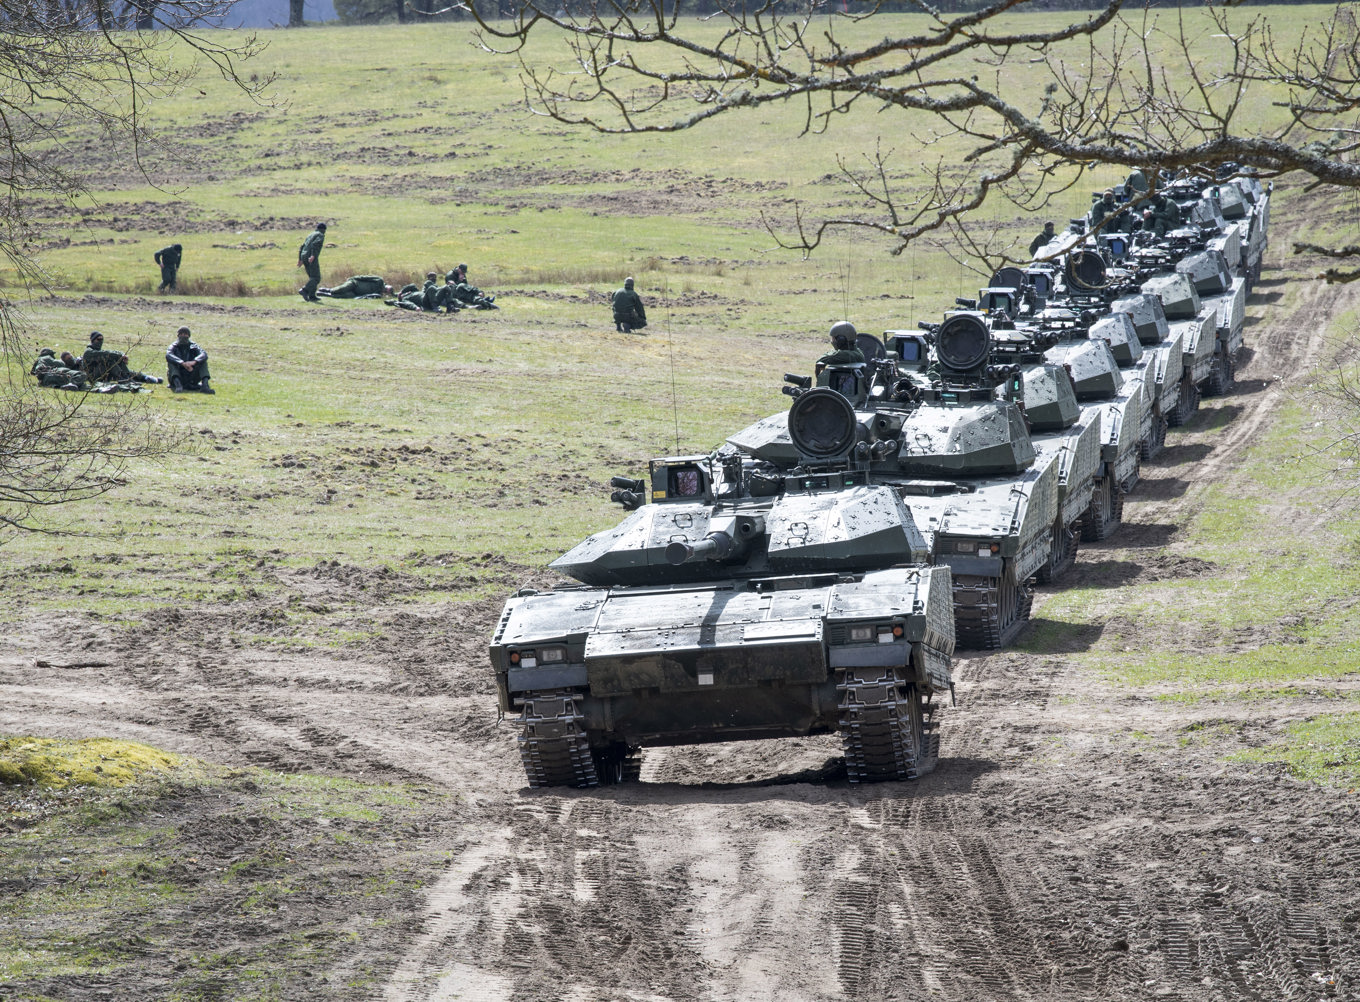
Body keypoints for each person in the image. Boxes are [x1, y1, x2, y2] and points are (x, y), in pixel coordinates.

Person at [82, 331, 160, 384]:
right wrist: (120, 355)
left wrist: (121, 356)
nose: (100, 341)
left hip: (103, 374)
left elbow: (108, 353)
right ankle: (124, 378)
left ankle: (143, 377)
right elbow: (105, 354)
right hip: (93, 377)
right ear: (92, 340)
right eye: (98, 339)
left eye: (102, 339)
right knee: (110, 360)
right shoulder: (89, 352)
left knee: (119, 364)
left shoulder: (98, 351)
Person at [166, 326, 214, 394]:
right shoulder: (173, 346)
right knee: (171, 363)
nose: (183, 336)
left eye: (185, 334)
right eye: (181, 334)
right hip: (178, 374)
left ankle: (205, 386)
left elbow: (204, 354)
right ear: (178, 335)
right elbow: (169, 355)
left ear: (188, 336)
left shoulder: (194, 346)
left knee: (203, 362)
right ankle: (178, 385)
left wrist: (194, 362)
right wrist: (182, 363)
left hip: (191, 374)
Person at [297, 222, 327, 302]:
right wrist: (313, 255)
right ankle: (304, 290)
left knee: (312, 277)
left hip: (304, 256)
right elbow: (315, 244)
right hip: (310, 256)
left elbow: (302, 246)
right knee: (316, 277)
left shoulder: (310, 234)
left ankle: (312, 296)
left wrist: (300, 259)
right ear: (324, 230)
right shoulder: (320, 235)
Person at [317, 275, 388, 299]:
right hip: (354, 283)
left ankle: (325, 295)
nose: (386, 290)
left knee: (345, 296)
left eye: (387, 291)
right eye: (387, 288)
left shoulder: (377, 294)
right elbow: (364, 277)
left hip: (356, 293)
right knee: (340, 289)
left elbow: (367, 296)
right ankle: (327, 290)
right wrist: (353, 278)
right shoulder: (379, 280)